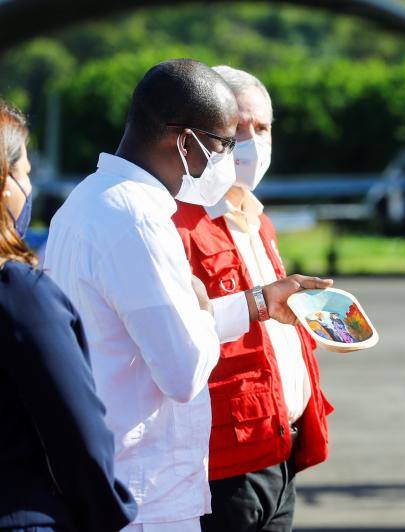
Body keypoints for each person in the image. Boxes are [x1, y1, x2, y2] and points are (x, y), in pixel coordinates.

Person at [43, 59, 331, 532]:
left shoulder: (90, 201)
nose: (228, 158)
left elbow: (152, 331)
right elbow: (184, 370)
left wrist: (254, 304)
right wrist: (196, 306)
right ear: (184, 141)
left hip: (118, 479)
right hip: (147, 491)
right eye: (222, 144)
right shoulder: (140, 222)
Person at [171, 65, 333, 532]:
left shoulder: (257, 220)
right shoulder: (176, 223)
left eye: (261, 128)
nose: (251, 141)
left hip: (281, 451)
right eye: (238, 128)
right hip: (223, 463)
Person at [0, 100, 138, 531]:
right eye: (24, 173)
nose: (29, 187)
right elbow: (78, 436)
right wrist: (110, 512)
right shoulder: (19, 292)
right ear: (4, 184)